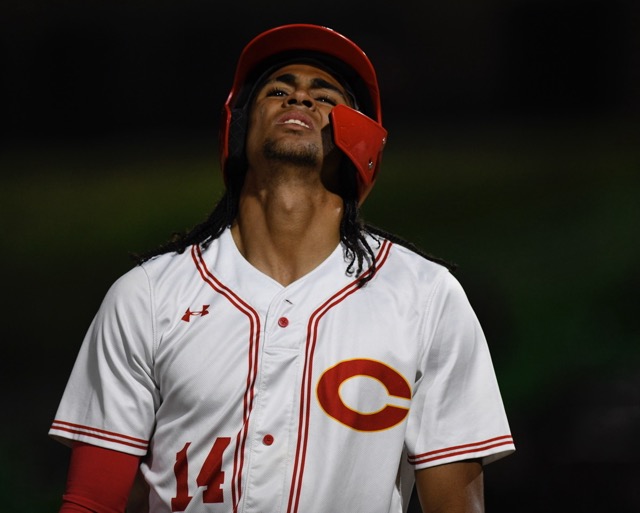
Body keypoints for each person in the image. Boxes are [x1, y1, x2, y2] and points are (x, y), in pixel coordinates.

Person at [50, 24, 515, 513]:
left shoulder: (425, 297)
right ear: (238, 130)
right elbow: (91, 501)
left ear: (363, 141)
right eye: (278, 89)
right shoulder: (148, 295)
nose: (299, 97)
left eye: (324, 94)